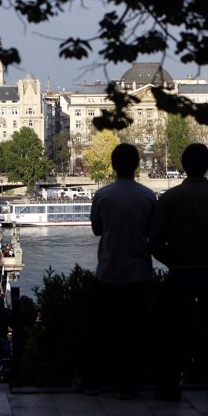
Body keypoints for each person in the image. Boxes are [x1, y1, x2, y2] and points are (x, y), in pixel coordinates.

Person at [150, 143, 208, 401]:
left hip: (180, 273)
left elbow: (155, 240)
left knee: (175, 333)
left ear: (183, 166)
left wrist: (172, 260)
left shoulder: (170, 199)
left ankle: (170, 387)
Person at [80, 142, 156, 398]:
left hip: (108, 271)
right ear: (137, 165)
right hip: (139, 273)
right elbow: (152, 233)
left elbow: (97, 230)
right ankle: (129, 384)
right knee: (135, 332)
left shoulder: (102, 196)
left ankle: (93, 382)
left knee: (100, 331)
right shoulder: (148, 196)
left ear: (112, 166)